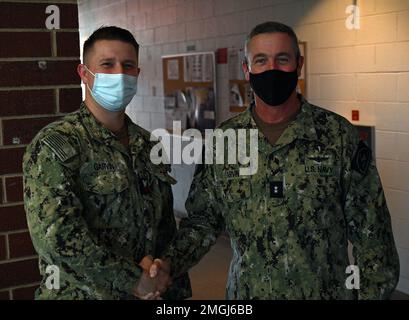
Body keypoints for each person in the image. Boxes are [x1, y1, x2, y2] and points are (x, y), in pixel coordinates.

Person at [147, 21, 400, 299]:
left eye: (282, 59)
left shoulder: (338, 137)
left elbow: (373, 236)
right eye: (261, 60)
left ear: (299, 64)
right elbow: (203, 222)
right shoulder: (226, 140)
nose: (272, 69)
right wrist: (169, 263)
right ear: (246, 69)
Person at [23, 26, 191, 300]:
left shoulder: (149, 144)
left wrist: (161, 274)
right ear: (84, 74)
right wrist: (132, 280)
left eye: (127, 66)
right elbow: (57, 239)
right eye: (107, 65)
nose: (119, 74)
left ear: (137, 74)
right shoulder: (56, 145)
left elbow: (163, 227)